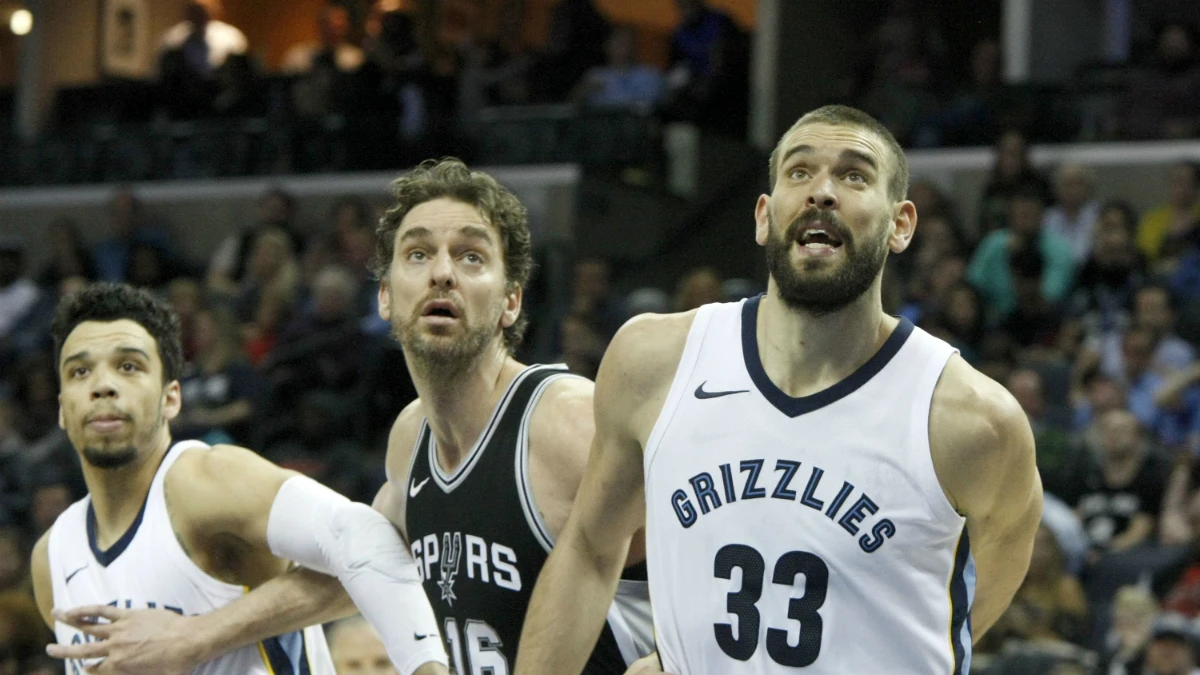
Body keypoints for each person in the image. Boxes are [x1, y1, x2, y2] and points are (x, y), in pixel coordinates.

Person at [47, 161, 654, 674]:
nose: (442, 270)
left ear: (510, 299)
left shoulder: (567, 422)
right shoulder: (410, 439)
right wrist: (195, 635)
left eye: (470, 256)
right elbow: (351, 571)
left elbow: (717, 585)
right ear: (386, 295)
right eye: (418, 253)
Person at [515, 105, 1043, 674]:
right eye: (799, 172)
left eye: (854, 175)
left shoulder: (975, 420)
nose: (821, 192)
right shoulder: (652, 362)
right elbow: (591, 551)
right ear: (765, 216)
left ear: (901, 224)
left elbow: (977, 596)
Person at [33, 283, 447, 675]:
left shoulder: (203, 482)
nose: (103, 385)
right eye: (80, 372)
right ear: (62, 410)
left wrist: (194, 637)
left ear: (171, 398)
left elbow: (371, 541)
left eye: (128, 366)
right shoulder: (52, 557)